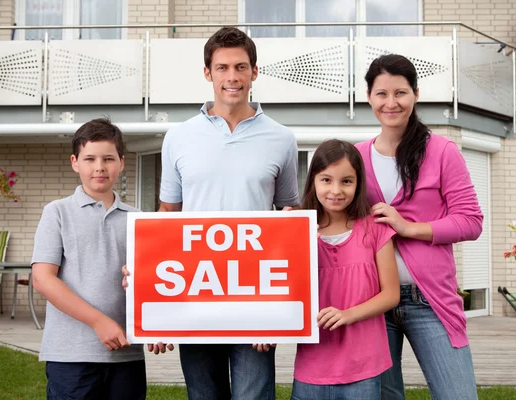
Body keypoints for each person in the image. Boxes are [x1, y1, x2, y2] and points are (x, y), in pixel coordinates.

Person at [158, 27, 300, 400]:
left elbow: (290, 219)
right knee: (205, 396)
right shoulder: (178, 137)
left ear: (255, 71)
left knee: (254, 396)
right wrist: (157, 304)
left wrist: (278, 312)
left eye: (240, 67)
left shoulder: (282, 139)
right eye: (222, 68)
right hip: (196, 293)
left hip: (256, 297)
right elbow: (166, 217)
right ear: (208, 73)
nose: (232, 77)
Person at [356, 54, 483, 400]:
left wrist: (408, 228)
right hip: (374, 301)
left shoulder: (442, 151)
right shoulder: (357, 157)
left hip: (430, 300)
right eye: (381, 94)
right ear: (369, 97)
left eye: (400, 92)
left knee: (457, 394)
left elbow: (471, 221)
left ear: (415, 94)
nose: (391, 102)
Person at [31, 118, 159, 400]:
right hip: (71, 355)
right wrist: (98, 322)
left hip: (127, 355)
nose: (99, 167)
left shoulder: (139, 220)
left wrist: (156, 326)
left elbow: (153, 280)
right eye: (90, 158)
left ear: (122, 163)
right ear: (75, 162)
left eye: (108, 159)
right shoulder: (57, 212)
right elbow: (42, 279)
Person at [291, 139, 400, 400]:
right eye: (326, 180)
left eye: (346, 181)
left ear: (358, 183)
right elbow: (282, 290)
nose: (336, 190)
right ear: (313, 181)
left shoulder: (375, 227)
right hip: (312, 366)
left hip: (363, 366)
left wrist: (348, 314)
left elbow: (391, 294)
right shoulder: (298, 231)